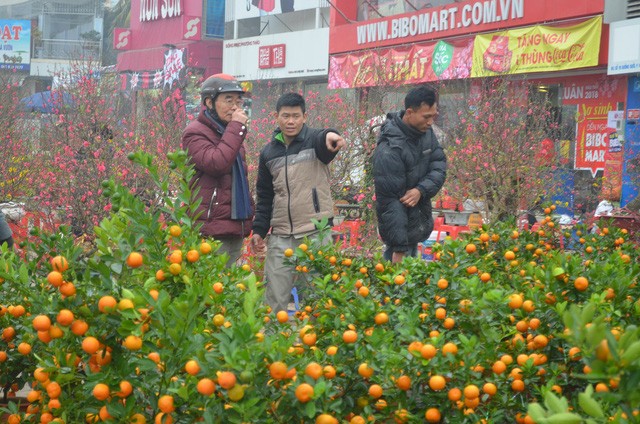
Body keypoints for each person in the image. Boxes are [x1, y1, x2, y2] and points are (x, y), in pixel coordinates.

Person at [251, 92, 346, 314]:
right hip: (281, 235)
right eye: (286, 116)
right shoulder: (268, 153)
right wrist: (259, 230)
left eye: (295, 116)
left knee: (317, 299)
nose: (291, 121)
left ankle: (315, 346)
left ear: (305, 116)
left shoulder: (314, 141)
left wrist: (333, 135)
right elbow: (265, 196)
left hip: (314, 233)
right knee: (274, 299)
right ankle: (273, 345)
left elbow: (327, 138)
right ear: (276, 117)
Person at [182, 74, 254, 266]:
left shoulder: (230, 132)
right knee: (212, 287)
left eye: (238, 100)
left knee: (232, 288)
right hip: (210, 227)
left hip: (234, 224)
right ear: (209, 102)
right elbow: (217, 164)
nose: (235, 106)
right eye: (228, 100)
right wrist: (237, 127)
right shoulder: (195, 132)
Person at [372, 85, 447, 263]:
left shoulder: (426, 134)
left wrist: (420, 190)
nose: (430, 122)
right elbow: (390, 202)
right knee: (396, 284)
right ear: (410, 112)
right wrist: (399, 248)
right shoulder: (390, 147)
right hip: (398, 237)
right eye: (426, 117)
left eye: (433, 116)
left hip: (416, 225)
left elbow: (439, 165)